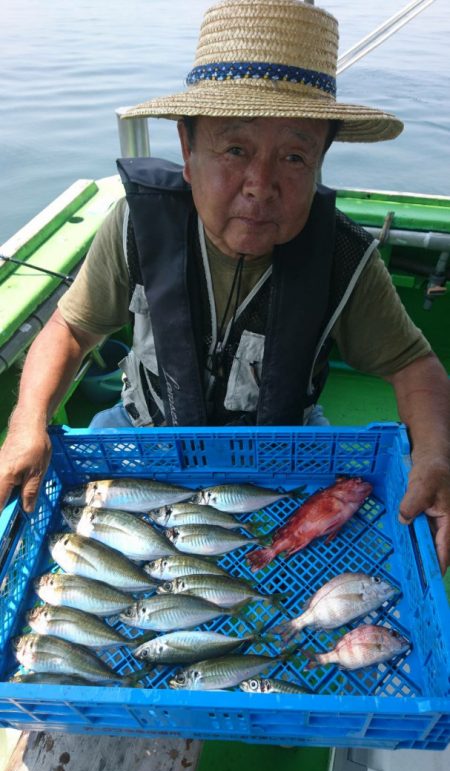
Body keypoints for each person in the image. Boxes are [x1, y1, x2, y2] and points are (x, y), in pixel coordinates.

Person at [0, 0, 449, 573]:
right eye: (235, 149)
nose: (261, 186)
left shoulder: (343, 256)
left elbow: (414, 363)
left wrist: (437, 454)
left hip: (286, 445)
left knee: (340, 552)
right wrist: (25, 423)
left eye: (293, 156)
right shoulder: (136, 227)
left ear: (320, 163)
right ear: (187, 152)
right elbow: (71, 328)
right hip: (144, 428)